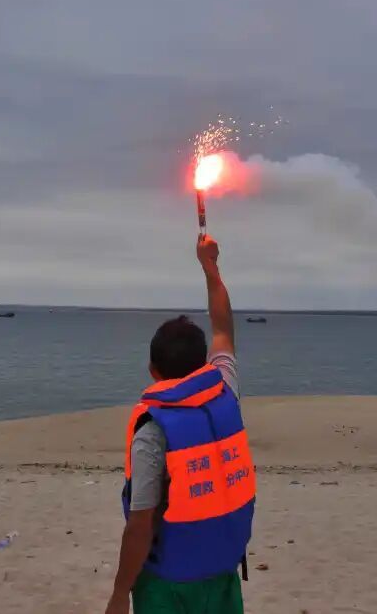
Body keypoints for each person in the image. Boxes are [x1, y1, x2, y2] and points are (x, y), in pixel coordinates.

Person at [105, 234, 255, 614]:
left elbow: (141, 524)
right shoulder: (225, 390)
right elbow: (223, 329)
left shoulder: (152, 430)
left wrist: (120, 593)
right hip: (222, 570)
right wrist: (210, 268)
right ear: (203, 362)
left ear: (153, 370)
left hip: (167, 583)